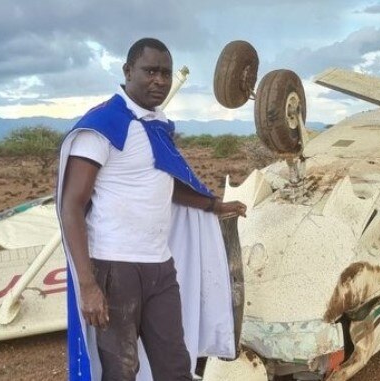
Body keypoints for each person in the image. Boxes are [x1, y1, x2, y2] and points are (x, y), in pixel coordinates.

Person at [57, 38, 246, 381]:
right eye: (150, 71)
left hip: (160, 267)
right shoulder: (103, 126)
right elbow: (72, 204)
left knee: (175, 365)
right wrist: (87, 284)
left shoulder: (155, 126)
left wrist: (213, 205)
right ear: (128, 71)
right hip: (114, 269)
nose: (160, 80)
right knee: (121, 370)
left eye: (166, 73)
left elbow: (166, 183)